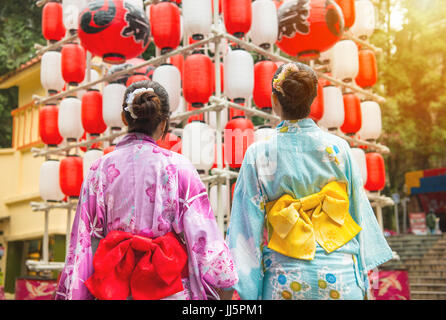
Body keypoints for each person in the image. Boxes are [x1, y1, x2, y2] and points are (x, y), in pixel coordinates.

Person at [55, 80, 238, 300]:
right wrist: (225, 282)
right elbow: (202, 235)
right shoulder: (179, 168)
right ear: (163, 124)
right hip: (168, 287)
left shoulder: (99, 170)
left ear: (125, 119)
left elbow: (84, 241)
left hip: (114, 290)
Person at [226, 63, 393, 300]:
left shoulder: (259, 154)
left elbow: (246, 228)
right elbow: (358, 214)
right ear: (313, 99)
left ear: (275, 100)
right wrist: (362, 276)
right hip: (342, 277)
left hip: (286, 280)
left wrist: (249, 290)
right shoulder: (339, 148)